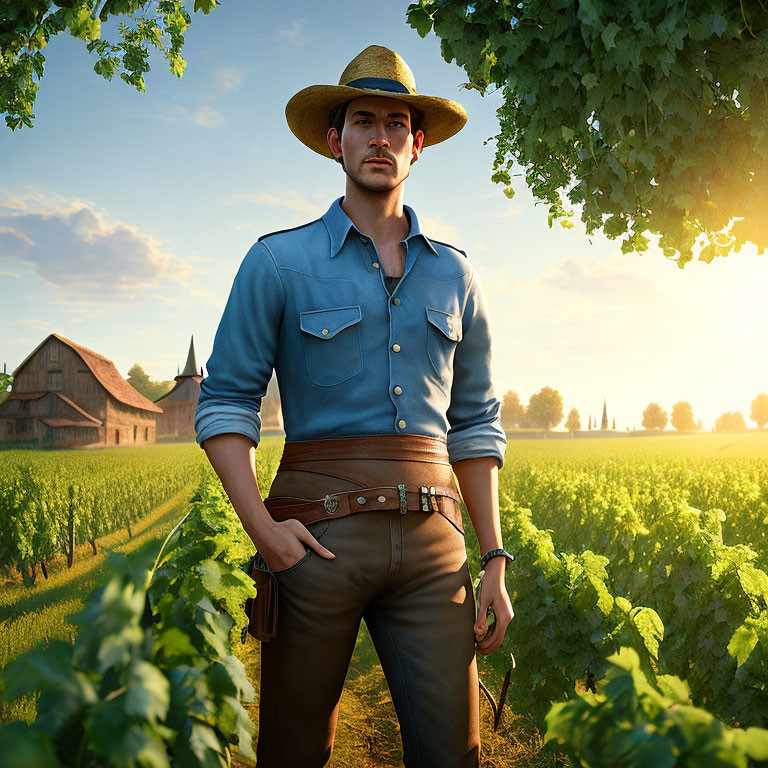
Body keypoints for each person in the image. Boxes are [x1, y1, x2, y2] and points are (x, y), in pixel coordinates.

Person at [194, 44, 514, 768]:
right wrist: (264, 530)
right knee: (294, 749)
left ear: (417, 145)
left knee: (452, 753)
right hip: (314, 538)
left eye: (396, 123)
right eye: (363, 122)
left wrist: (492, 557)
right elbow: (224, 404)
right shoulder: (277, 262)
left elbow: (475, 424)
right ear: (336, 143)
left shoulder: (457, 275)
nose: (380, 137)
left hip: (437, 544)